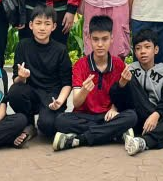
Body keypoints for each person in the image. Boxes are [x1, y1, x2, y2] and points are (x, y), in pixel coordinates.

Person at [50, 15, 139, 152]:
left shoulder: (118, 64)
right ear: (89, 39)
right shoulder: (80, 65)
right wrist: (84, 90)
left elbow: (123, 98)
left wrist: (114, 109)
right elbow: (76, 103)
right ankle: (113, 133)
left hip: (108, 116)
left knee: (132, 116)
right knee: (60, 120)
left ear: (111, 39)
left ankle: (79, 139)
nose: (100, 44)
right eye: (95, 39)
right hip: (84, 116)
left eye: (104, 39)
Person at [111, 26, 163, 154]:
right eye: (138, 48)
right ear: (134, 52)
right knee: (130, 82)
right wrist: (122, 83)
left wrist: (156, 115)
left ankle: (142, 142)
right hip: (137, 116)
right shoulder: (130, 70)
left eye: (147, 47)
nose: (142, 51)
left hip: (156, 117)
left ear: (156, 49)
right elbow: (117, 99)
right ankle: (156, 136)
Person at [6, 5, 72, 144]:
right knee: (15, 92)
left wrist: (59, 101)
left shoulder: (60, 50)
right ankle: (28, 123)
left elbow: (67, 83)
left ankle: (45, 120)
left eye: (47, 24)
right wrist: (22, 77)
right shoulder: (23, 46)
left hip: (52, 96)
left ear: (53, 27)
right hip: (32, 92)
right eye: (38, 23)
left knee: (48, 127)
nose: (42, 28)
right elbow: (16, 80)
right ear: (31, 25)